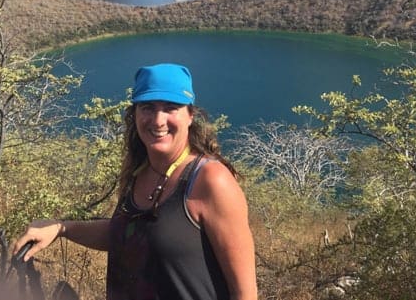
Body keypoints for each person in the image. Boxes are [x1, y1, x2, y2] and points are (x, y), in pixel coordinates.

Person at [14, 63, 257, 300]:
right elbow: (129, 235)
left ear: (190, 116)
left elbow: (244, 293)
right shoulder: (139, 172)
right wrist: (62, 228)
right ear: (135, 114)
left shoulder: (211, 180)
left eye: (171, 107)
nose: (158, 120)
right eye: (148, 107)